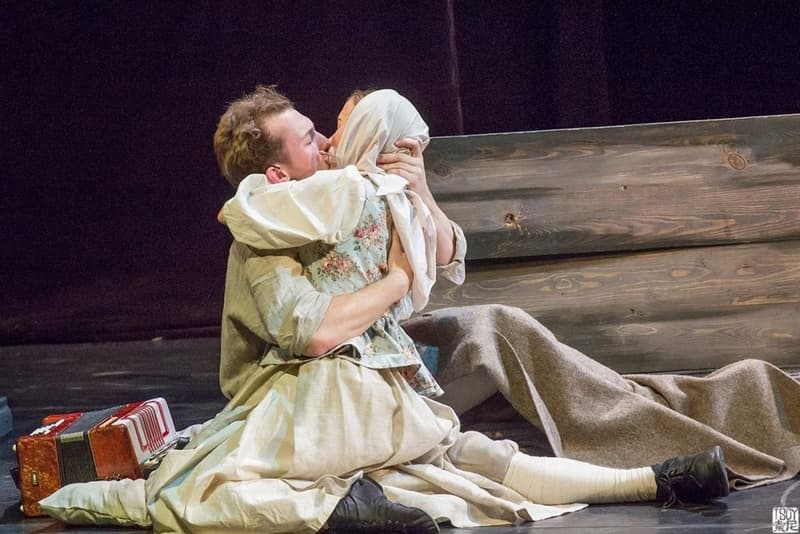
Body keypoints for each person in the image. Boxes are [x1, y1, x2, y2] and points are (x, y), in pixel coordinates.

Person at [141, 87, 730, 533]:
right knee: (452, 461)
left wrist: (418, 190)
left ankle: (648, 469)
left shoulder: (350, 193)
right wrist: (398, 278)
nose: (326, 142)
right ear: (276, 173)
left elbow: (446, 254)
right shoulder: (268, 230)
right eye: (312, 137)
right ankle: (343, 504)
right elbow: (314, 332)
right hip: (302, 391)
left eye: (325, 129)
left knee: (487, 369)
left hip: (380, 367)